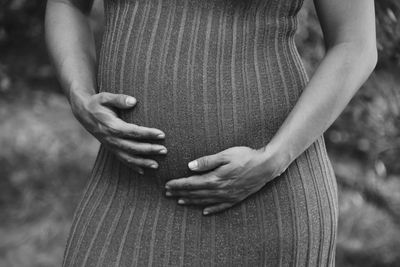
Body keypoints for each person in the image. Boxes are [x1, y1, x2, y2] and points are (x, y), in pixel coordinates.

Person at [45, 0, 376, 266]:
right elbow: (67, 5)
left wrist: (274, 158)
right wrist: (79, 93)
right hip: (125, 187)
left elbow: (355, 43)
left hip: (264, 200)